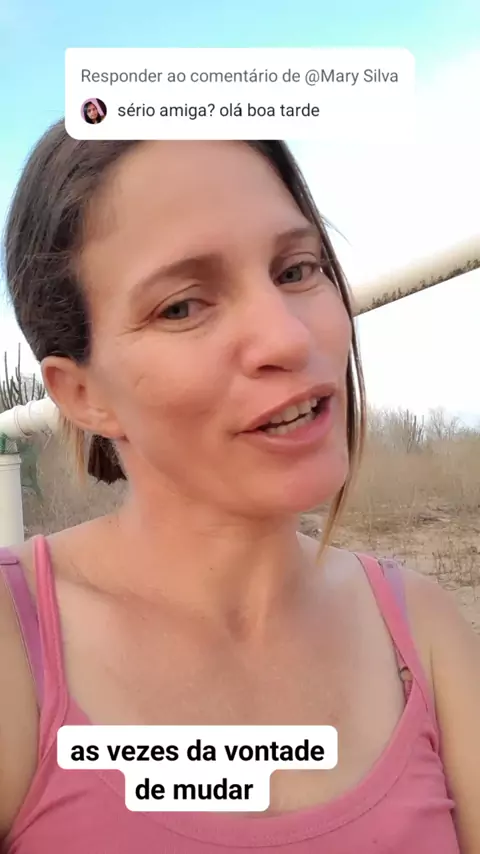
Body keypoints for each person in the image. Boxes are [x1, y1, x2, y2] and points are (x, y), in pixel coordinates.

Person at [0, 125, 478, 854]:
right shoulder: (15, 649)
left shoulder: (424, 634)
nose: (288, 338)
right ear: (82, 394)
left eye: (296, 269)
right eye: (183, 306)